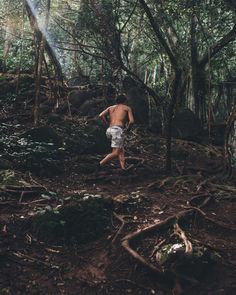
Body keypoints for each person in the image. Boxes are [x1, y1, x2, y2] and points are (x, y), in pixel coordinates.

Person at [98, 94, 134, 170]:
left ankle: (123, 168)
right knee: (115, 153)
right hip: (117, 130)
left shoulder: (110, 108)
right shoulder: (126, 108)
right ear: (124, 101)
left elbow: (100, 115)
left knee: (121, 149)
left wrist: (107, 123)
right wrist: (128, 130)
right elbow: (131, 122)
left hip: (109, 130)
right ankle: (100, 164)